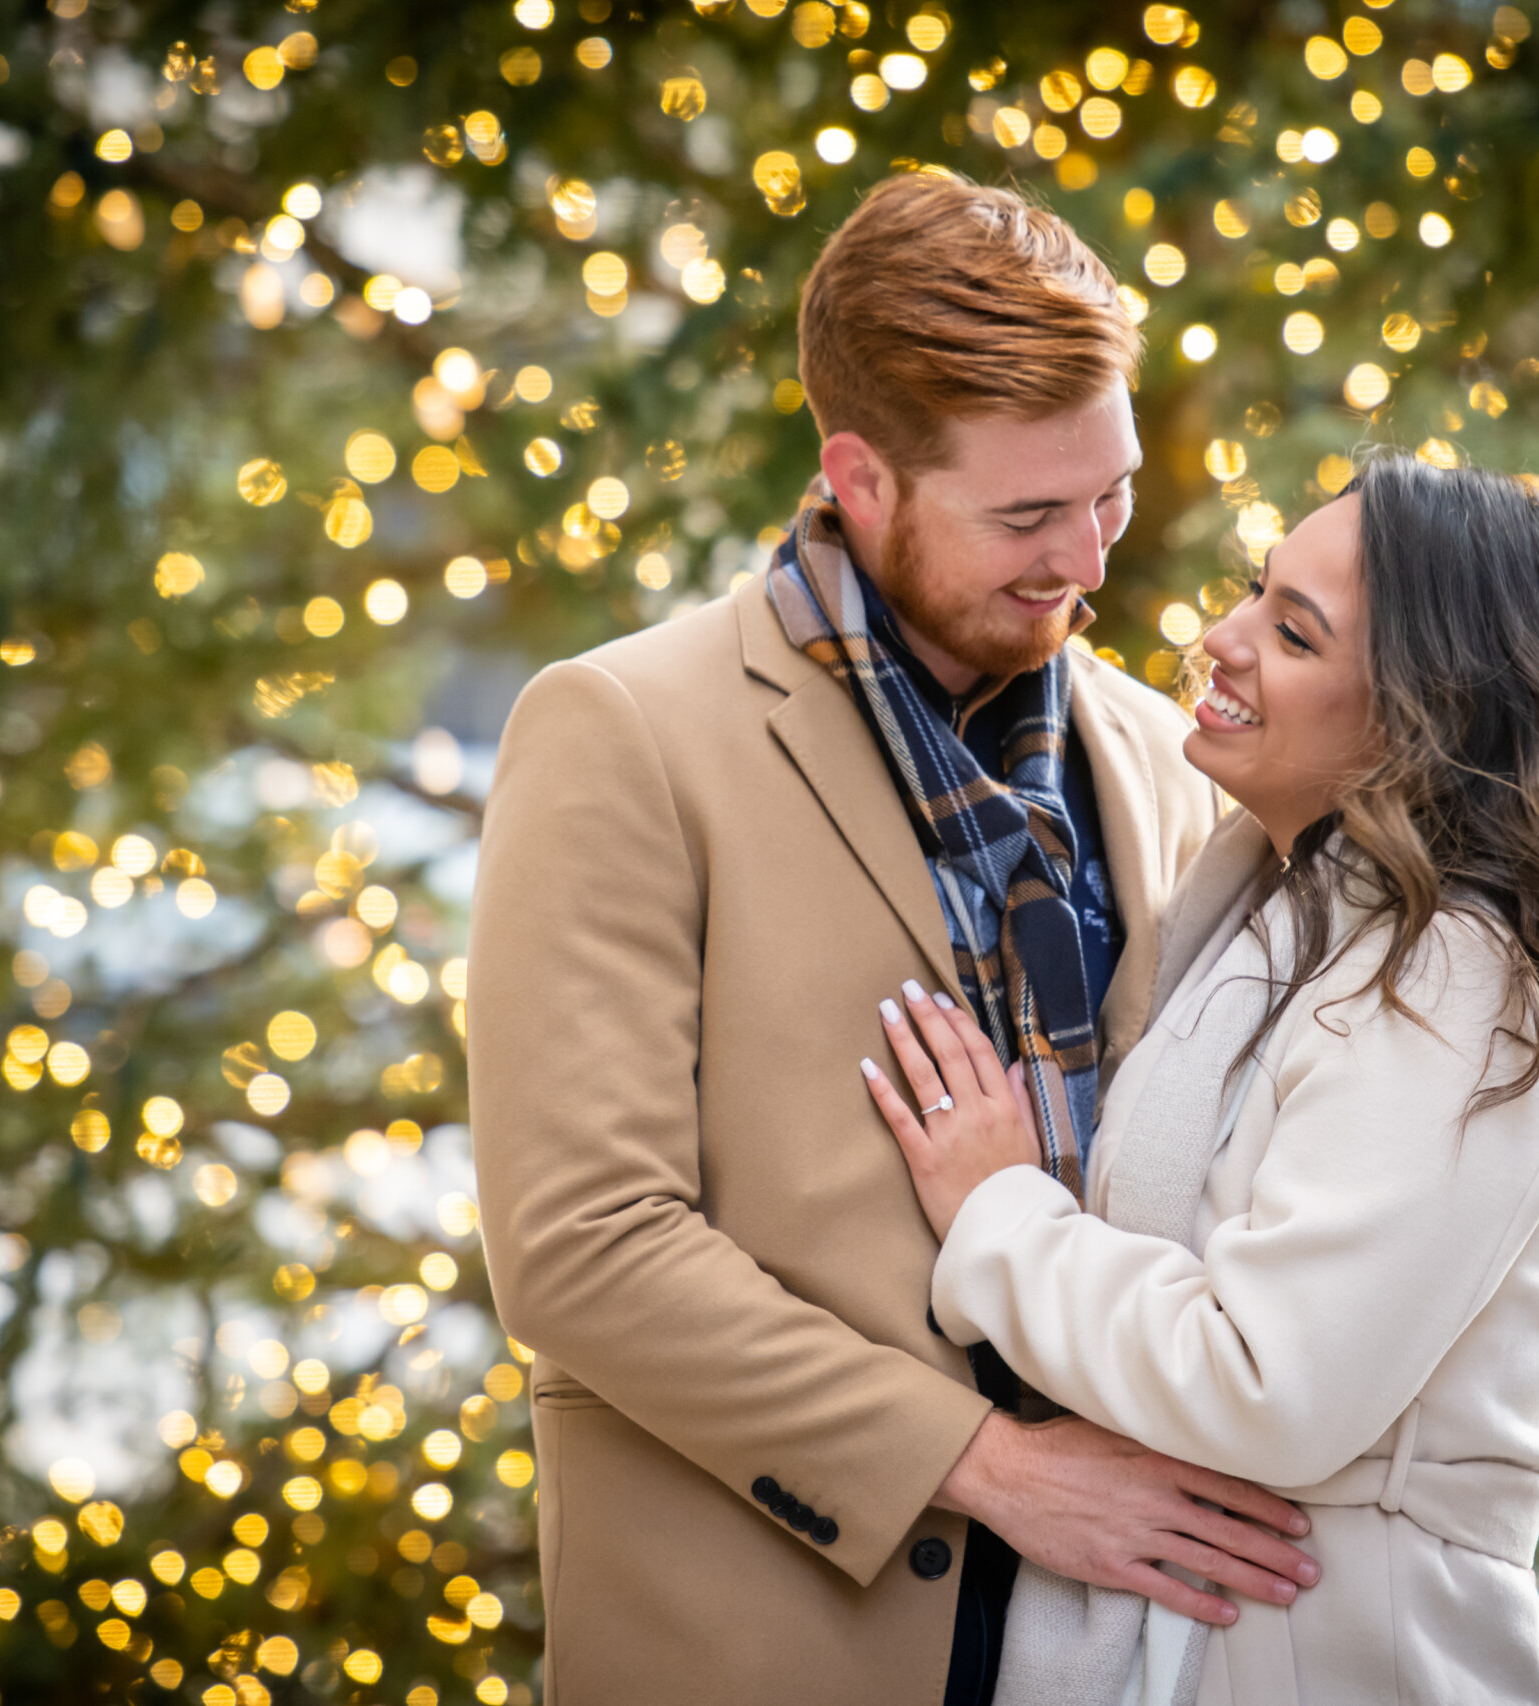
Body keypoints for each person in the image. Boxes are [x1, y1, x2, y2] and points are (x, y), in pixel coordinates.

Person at [468, 173, 1320, 1706]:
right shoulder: (622, 731)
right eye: (1025, 514)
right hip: (762, 1644)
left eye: (1109, 490)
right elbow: (581, 1248)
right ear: (860, 479)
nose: (1089, 559)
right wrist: (990, 1466)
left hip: (1119, 1651)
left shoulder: (1160, 752)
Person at [865, 454, 1539, 1705]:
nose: (1221, 637)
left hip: (1338, 1647)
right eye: (1255, 589)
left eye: (1292, 632)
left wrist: (999, 1212)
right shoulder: (1261, 909)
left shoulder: (1463, 978)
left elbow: (1270, 1384)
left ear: (1424, 713)